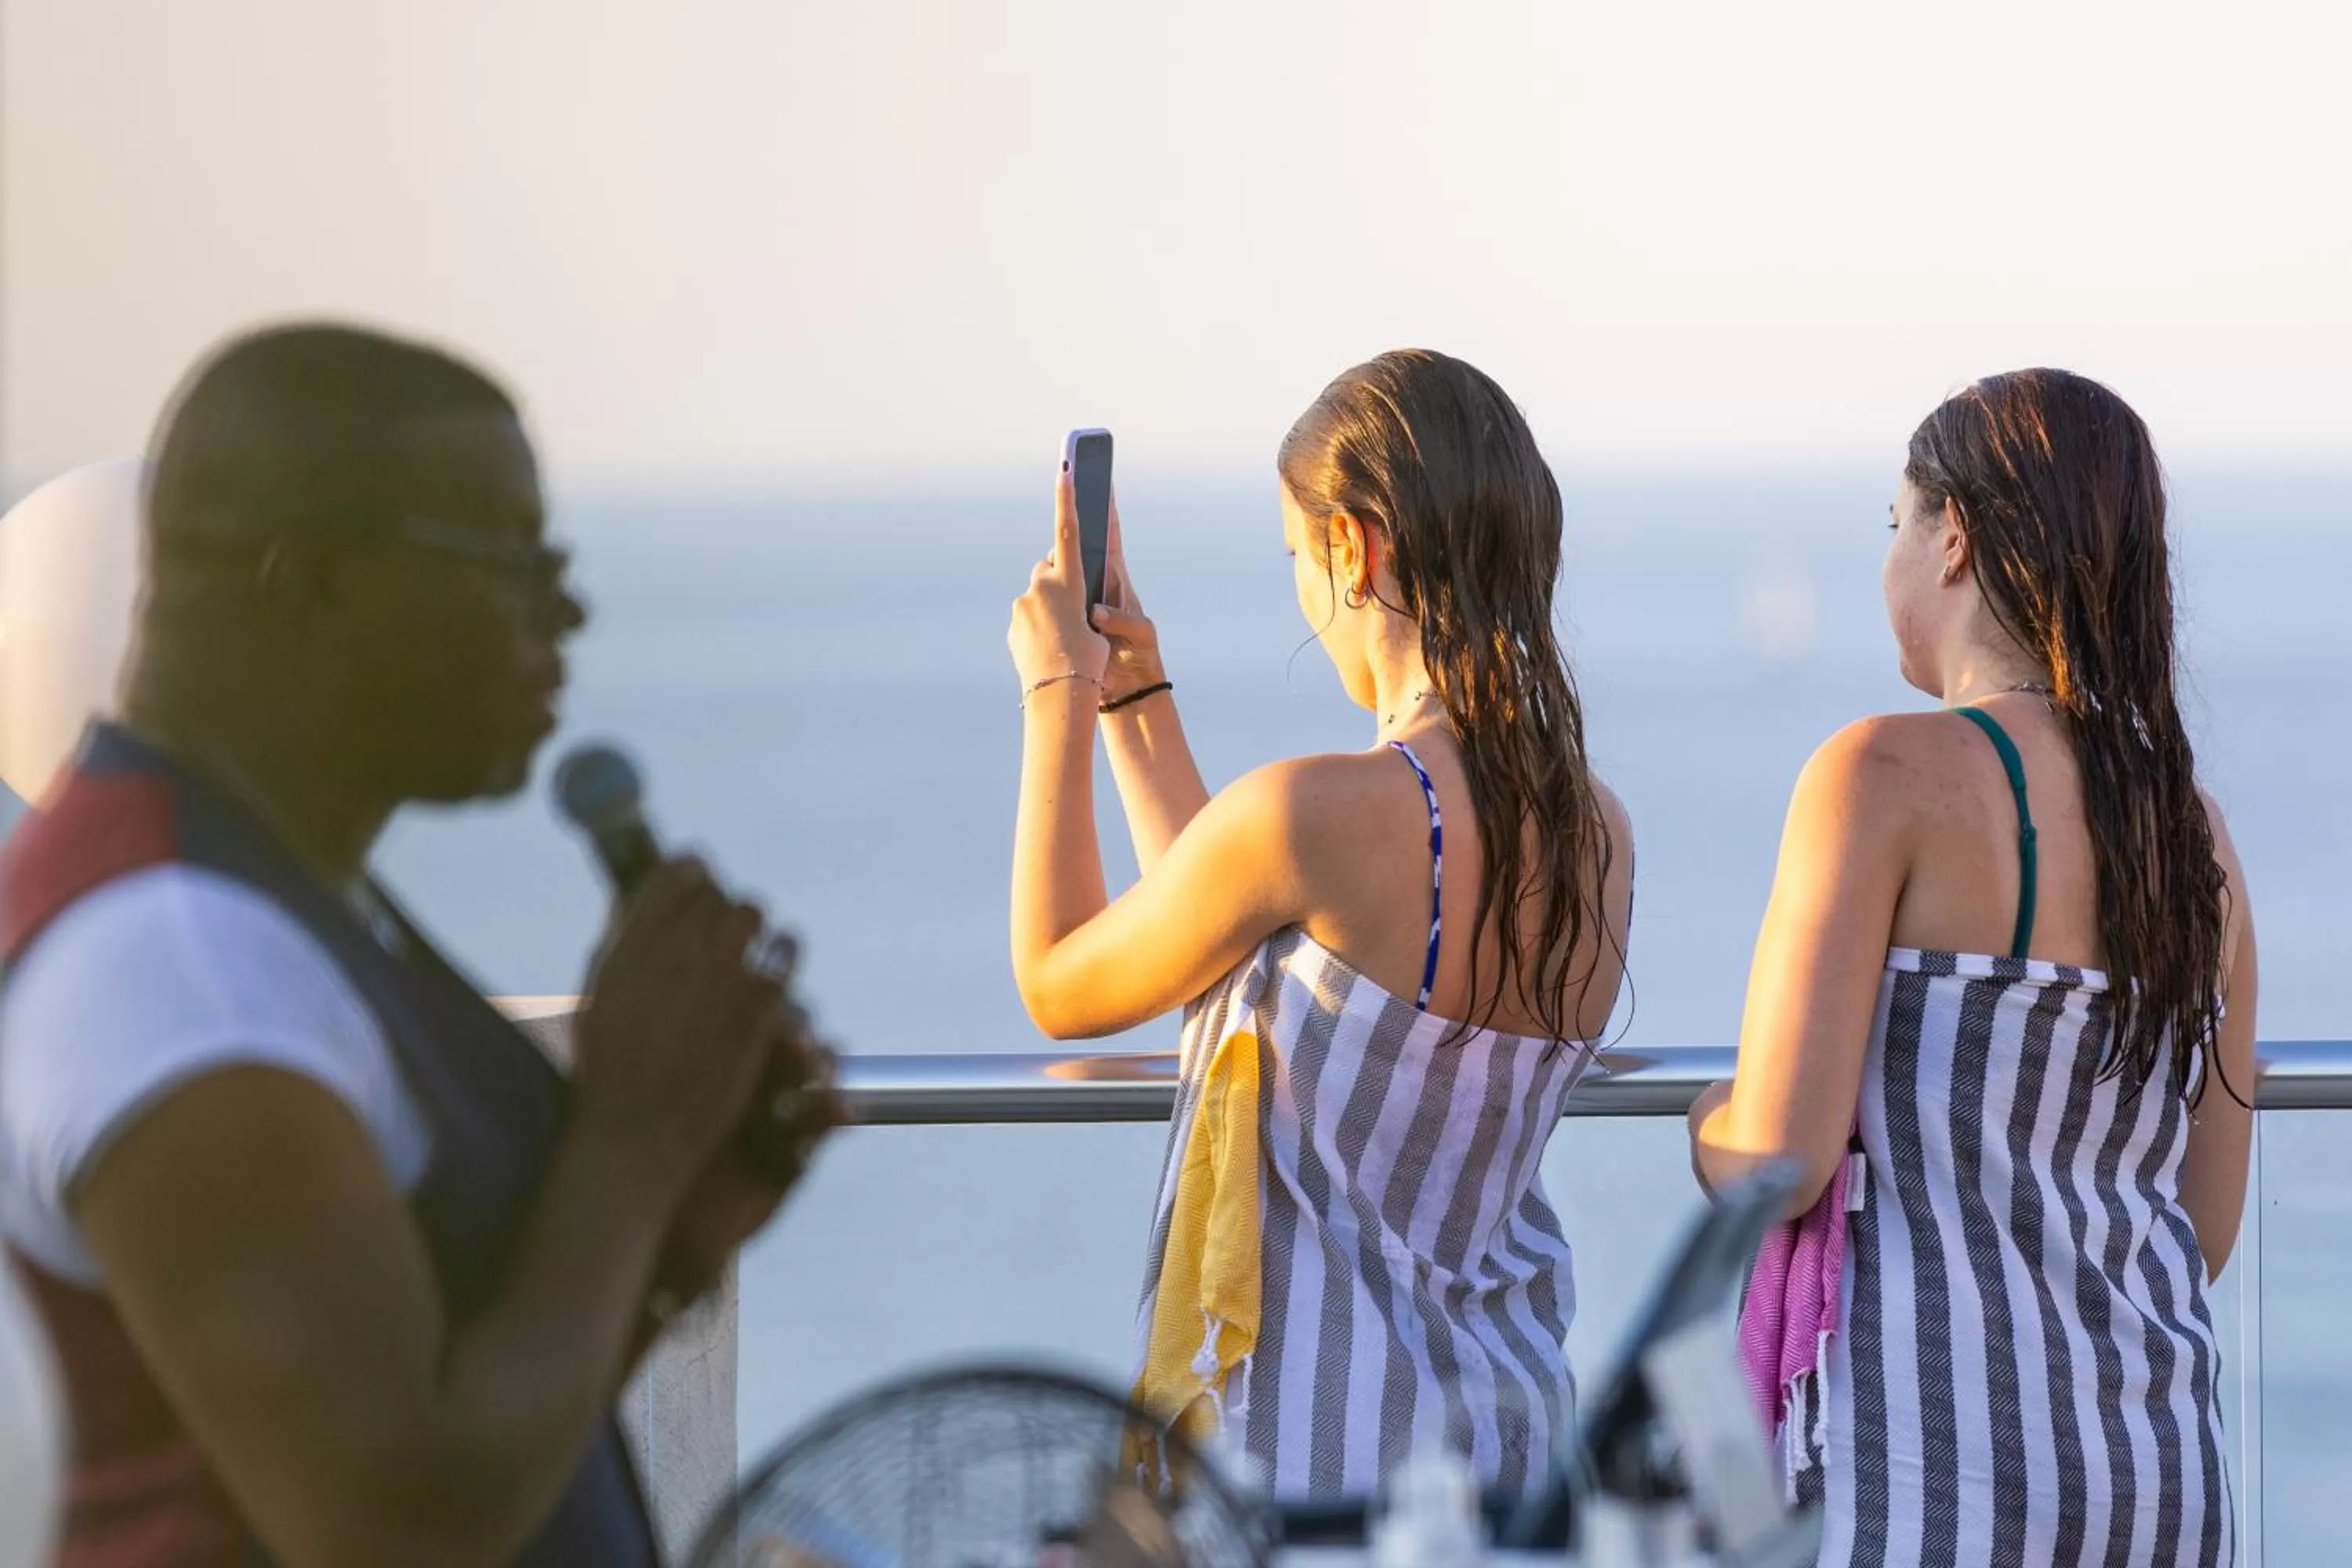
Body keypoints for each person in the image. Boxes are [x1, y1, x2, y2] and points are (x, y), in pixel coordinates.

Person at [0, 322, 838, 1566]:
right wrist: (628, 1140)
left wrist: (672, 1229)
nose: (567, 610)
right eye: (513, 562)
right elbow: (392, 1528)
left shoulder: (284, 900)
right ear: (315, 583)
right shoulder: (176, 962)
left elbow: (474, 1431)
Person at [1005, 350, 1635, 1500]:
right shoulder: (1595, 830)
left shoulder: (1315, 815)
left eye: (1298, 556)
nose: (1302, 588)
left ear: (1353, 547)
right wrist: (1135, 701)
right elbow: (1226, 930)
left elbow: (1059, 979)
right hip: (1509, 1453)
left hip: (1313, 1474)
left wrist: (1057, 695)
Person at [1687, 369, 2253, 1565]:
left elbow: (1780, 1163)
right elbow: (2202, 1228)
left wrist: (1707, 1122)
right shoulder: (2197, 838)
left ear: (1956, 540)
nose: (1889, 553)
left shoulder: (1878, 776)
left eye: (1896, 521)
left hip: (1937, 1477)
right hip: (2158, 1467)